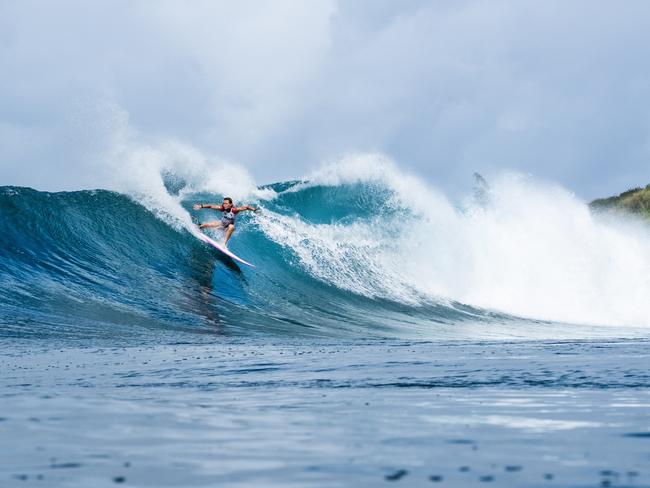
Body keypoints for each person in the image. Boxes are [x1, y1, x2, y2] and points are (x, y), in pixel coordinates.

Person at [193, 197, 258, 247]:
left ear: (230, 204)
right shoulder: (222, 208)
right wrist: (201, 206)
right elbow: (211, 206)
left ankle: (224, 244)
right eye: (224, 203)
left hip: (228, 228)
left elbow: (246, 207)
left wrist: (254, 210)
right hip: (222, 223)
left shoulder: (234, 210)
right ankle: (198, 227)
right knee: (206, 225)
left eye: (226, 203)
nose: (224, 204)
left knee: (231, 226)